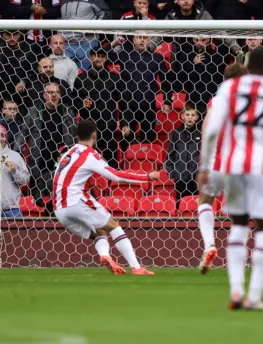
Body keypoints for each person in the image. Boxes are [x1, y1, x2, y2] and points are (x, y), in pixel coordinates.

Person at [198, 49, 263, 312]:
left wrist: (204, 165)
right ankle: (254, 295)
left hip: (233, 166)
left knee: (238, 225)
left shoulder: (230, 87)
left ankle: (236, 291)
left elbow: (211, 129)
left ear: (247, 65)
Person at [53, 120, 159, 275]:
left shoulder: (69, 153)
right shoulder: (89, 154)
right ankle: (137, 267)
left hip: (59, 210)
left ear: (77, 136)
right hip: (76, 200)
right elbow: (114, 175)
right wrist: (147, 177)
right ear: (94, 135)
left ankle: (105, 256)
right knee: (114, 225)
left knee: (99, 232)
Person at [195, 63, 248, 276]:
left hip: (217, 162)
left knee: (205, 201)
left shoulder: (216, 101)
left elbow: (207, 130)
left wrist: (203, 165)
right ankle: (237, 257)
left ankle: (209, 245)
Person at [16, 83, 76, 213]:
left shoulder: (67, 111)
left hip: (62, 160)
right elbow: (23, 133)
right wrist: (16, 153)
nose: (54, 95)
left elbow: (74, 136)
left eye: (57, 92)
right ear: (44, 95)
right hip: (40, 160)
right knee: (42, 198)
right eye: (50, 92)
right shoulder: (35, 111)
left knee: (60, 195)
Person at [107, 34, 172, 144]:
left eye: (145, 38)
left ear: (149, 40)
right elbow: (102, 55)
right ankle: (127, 161)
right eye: (138, 37)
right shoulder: (124, 55)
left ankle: (145, 161)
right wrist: (114, 43)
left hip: (148, 104)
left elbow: (166, 81)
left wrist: (167, 101)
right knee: (127, 141)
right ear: (133, 40)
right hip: (128, 106)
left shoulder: (156, 58)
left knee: (147, 141)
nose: (142, 40)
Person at [74, 48, 124, 169]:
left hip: (108, 126)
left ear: (106, 59)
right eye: (97, 56)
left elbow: (123, 103)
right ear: (91, 58)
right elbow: (73, 102)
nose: (99, 59)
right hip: (88, 127)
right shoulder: (80, 79)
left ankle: (111, 185)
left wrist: (124, 123)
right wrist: (82, 104)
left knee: (110, 161)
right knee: (88, 161)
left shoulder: (115, 78)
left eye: (102, 56)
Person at [174, 36, 225, 115]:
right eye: (196, 40)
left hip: (210, 100)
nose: (199, 43)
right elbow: (179, 80)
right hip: (193, 100)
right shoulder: (186, 56)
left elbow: (220, 80)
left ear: (209, 39)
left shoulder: (217, 57)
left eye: (203, 40)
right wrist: (192, 64)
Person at [60, 0, 112, 71]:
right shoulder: (62, 1)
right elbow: (56, 15)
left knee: (88, 75)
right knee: (66, 75)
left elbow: (106, 14)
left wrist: (93, 29)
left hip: (88, 42)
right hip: (66, 44)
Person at [166, 104, 201, 202]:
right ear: (182, 116)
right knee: (182, 205)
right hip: (180, 177)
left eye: (193, 115)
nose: (190, 117)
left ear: (197, 117)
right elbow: (170, 155)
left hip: (196, 177)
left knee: (195, 205)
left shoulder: (200, 134)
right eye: (187, 115)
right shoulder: (175, 134)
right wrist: (172, 174)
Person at [0, 31, 39, 106]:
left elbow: (35, 72)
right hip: (2, 93)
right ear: (3, 35)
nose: (11, 38)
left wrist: (24, 81)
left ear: (20, 34)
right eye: (8, 35)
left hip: (23, 95)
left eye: (14, 35)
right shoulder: (1, 50)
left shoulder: (27, 50)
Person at [0, 125, 30, 218]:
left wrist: (14, 170)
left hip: (12, 211)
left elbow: (25, 181)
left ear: (6, 138)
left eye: (2, 135)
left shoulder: (15, 156)